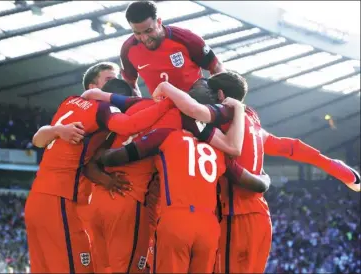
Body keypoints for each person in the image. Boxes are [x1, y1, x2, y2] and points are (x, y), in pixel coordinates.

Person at [153, 71, 361, 273]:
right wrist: (339, 169)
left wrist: (165, 87)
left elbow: (194, 110)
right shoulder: (255, 126)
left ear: (220, 95)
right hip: (261, 218)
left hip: (234, 217)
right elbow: (292, 147)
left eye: (209, 91)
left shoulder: (223, 115)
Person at [26, 69, 174, 273]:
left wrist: (56, 130)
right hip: (61, 198)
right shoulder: (103, 111)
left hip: (41, 197)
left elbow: (37, 140)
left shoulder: (70, 101)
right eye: (111, 78)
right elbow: (130, 125)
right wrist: (172, 101)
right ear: (93, 88)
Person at [88, 120, 270, 273]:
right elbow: (256, 184)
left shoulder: (167, 135)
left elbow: (115, 157)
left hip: (176, 218)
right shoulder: (220, 150)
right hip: (208, 225)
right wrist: (265, 177)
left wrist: (101, 154)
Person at [120, 1, 226, 96]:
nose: (144, 38)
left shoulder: (186, 39)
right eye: (137, 33)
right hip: (162, 109)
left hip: (197, 103)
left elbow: (216, 67)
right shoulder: (128, 50)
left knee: (202, 93)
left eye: (148, 31)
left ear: (159, 22)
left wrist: (223, 102)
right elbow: (130, 84)